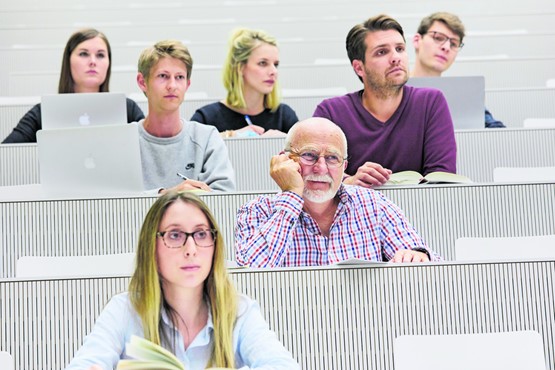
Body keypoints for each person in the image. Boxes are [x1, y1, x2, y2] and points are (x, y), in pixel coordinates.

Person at [65, 191, 299, 370]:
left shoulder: (239, 310)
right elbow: (85, 363)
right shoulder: (124, 310)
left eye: (200, 234)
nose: (191, 249)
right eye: (175, 235)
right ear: (151, 247)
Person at [235, 117, 440, 268]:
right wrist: (291, 195)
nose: (321, 168)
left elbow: (427, 258)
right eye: (309, 155)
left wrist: (417, 256)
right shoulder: (257, 211)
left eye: (332, 158)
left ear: (344, 166)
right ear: (285, 160)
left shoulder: (373, 205)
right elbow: (251, 277)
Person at [313, 14, 457, 188]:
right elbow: (312, 171)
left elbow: (442, 179)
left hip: (419, 211)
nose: (396, 57)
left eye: (400, 49)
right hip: (353, 212)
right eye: (382, 52)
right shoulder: (330, 113)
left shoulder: (431, 102)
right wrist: (348, 182)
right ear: (359, 67)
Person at [2, 28, 145, 143]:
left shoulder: (127, 109)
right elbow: (8, 155)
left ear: (108, 63)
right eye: (84, 54)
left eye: (100, 55)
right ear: (68, 61)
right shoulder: (44, 112)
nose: (93, 61)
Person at [135, 40, 235, 193]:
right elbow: (112, 202)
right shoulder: (125, 140)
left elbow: (224, 198)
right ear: (142, 82)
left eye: (179, 77)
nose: (172, 85)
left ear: (187, 84)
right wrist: (169, 194)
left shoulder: (206, 138)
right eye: (163, 76)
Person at [190, 28, 298, 138]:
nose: (273, 71)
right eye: (263, 63)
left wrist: (285, 141)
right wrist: (229, 136)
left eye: (276, 64)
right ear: (240, 67)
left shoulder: (285, 115)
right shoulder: (206, 118)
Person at [411, 12, 506, 128]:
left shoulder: (462, 96)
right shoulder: (393, 90)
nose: (446, 47)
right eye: (438, 38)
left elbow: (497, 131)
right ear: (417, 40)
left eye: (454, 44)